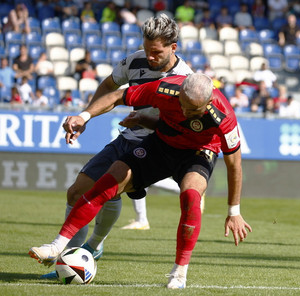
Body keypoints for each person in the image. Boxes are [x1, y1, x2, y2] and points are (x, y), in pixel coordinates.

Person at [29, 73, 252, 289]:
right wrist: (85, 116)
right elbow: (117, 96)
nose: (184, 111)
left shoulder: (224, 117)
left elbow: (235, 165)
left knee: (191, 196)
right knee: (110, 179)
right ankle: (57, 246)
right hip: (161, 145)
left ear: (209, 100)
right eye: (182, 104)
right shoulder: (165, 88)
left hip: (199, 153)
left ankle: (179, 273)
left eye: (192, 109)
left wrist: (234, 212)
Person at [37, 14, 194, 280]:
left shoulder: (184, 79)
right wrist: (85, 115)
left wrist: (147, 120)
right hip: (128, 137)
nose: (150, 57)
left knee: (108, 189)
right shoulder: (135, 61)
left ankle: (85, 248)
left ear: (173, 48)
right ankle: (75, 258)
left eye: (156, 52)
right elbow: (111, 86)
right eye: (147, 49)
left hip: (156, 145)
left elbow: (181, 128)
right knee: (75, 193)